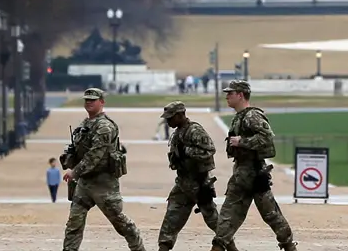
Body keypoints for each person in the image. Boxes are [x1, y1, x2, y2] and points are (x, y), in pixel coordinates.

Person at [210, 80, 296, 251]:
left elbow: (267, 139)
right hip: (242, 174)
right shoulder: (239, 117)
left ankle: (289, 246)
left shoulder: (252, 116)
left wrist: (242, 141)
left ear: (241, 95)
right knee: (229, 214)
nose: (227, 96)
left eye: (230, 93)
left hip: (255, 173)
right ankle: (219, 246)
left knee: (271, 214)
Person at [60, 87, 145, 251]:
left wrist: (74, 172)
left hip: (103, 183)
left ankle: (138, 247)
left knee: (120, 222)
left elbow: (95, 155)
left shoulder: (105, 126)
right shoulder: (85, 124)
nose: (89, 103)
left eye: (93, 100)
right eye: (87, 100)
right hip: (85, 182)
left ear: (102, 102)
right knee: (74, 223)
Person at [156, 101, 236, 251]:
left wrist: (186, 151)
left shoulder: (194, 130)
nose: (168, 121)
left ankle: (230, 247)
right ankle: (164, 246)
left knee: (212, 219)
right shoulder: (178, 132)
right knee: (172, 217)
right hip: (182, 183)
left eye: (171, 118)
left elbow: (209, 150)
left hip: (199, 183)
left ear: (180, 115)